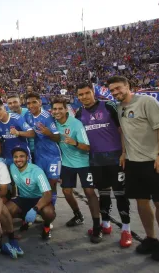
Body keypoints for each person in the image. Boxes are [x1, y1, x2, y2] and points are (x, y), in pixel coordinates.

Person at [108, 75, 159, 261]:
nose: (116, 93)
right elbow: (124, 133)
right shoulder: (120, 108)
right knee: (141, 202)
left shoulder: (147, 101)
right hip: (133, 162)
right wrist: (123, 153)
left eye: (118, 88)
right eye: (112, 91)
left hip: (154, 161)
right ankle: (151, 238)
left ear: (127, 86)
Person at [75, 83, 132, 248]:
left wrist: (124, 153)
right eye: (81, 95)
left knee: (120, 194)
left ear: (93, 92)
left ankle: (126, 230)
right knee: (103, 194)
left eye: (87, 93)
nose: (84, 97)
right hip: (95, 160)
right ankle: (106, 224)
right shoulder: (79, 113)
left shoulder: (108, 105)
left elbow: (122, 130)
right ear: (78, 97)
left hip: (115, 158)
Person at [51, 97, 102, 243]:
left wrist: (75, 142)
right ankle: (78, 215)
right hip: (67, 164)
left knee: (89, 192)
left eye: (60, 108)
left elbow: (87, 147)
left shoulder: (76, 124)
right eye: (55, 109)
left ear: (66, 109)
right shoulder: (53, 124)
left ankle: (97, 227)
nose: (57, 111)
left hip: (84, 163)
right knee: (67, 192)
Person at [7, 147, 56, 240]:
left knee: (49, 213)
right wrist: (12, 198)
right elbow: (13, 184)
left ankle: (46, 227)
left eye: (21, 156)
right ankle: (23, 221)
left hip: (38, 199)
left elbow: (48, 194)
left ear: (28, 157)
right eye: (15, 157)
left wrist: (35, 209)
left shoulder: (37, 171)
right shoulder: (12, 167)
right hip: (23, 198)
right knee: (6, 210)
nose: (18, 159)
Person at [24, 92, 61, 208]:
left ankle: (51, 210)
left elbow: (58, 137)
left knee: (52, 183)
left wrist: (48, 133)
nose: (31, 105)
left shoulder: (47, 117)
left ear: (40, 102)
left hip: (53, 156)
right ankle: (42, 209)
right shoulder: (28, 116)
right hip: (39, 156)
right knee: (41, 184)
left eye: (34, 102)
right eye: (28, 103)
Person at [0, 100, 35, 166]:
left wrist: (18, 133)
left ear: (5, 109)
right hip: (8, 156)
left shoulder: (16, 118)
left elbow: (32, 133)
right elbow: (0, 141)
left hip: (22, 155)